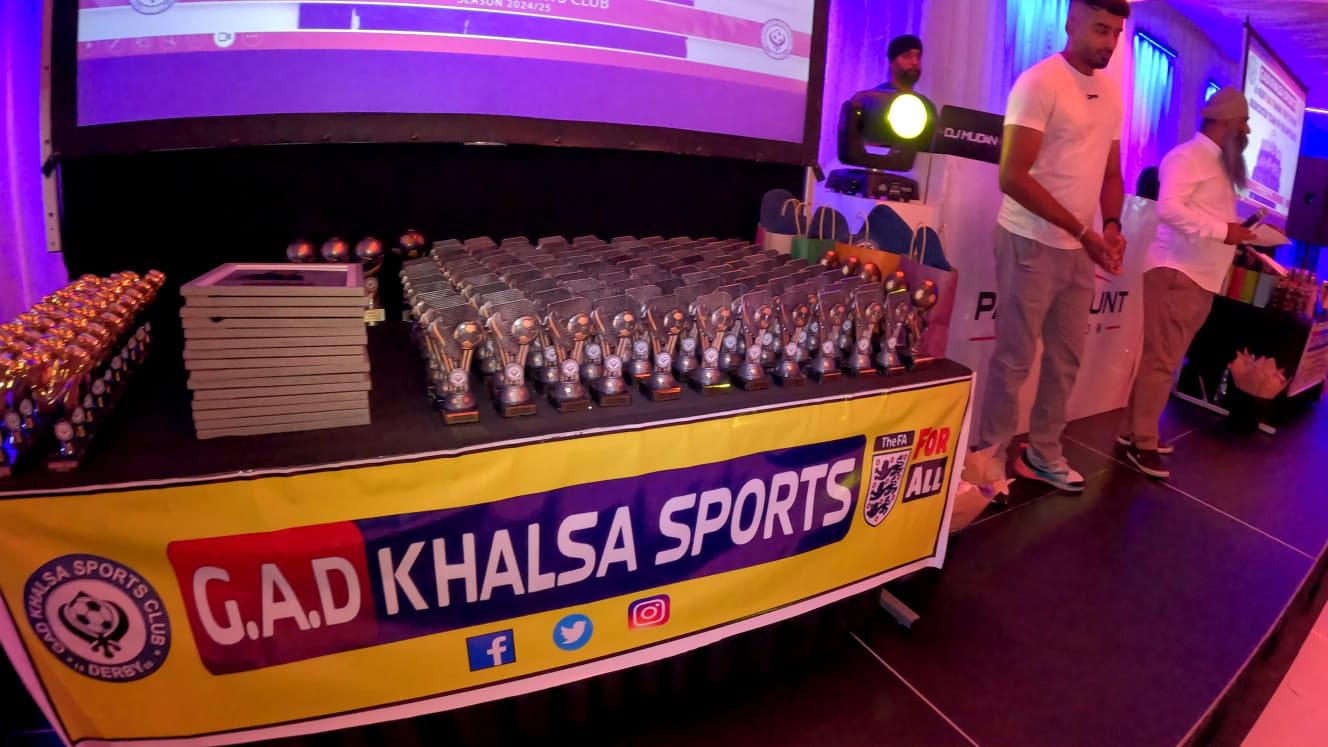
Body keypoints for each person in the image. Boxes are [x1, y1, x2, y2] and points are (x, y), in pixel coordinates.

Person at [971, 0, 1129, 493]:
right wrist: (1083, 232)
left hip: (1078, 249)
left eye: (1116, 34)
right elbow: (1012, 176)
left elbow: (1111, 173)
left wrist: (1111, 224)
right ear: (1071, 21)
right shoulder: (1040, 82)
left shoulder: (1111, 93)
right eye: (1101, 29)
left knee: (1065, 359)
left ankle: (1043, 453)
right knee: (1014, 359)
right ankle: (989, 461)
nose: (1109, 42)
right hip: (1029, 240)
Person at [1119, 88, 1257, 478]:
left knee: (1162, 359)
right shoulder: (1188, 156)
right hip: (1178, 272)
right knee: (1162, 361)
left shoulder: (1214, 163)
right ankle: (1143, 442)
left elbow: (1204, 219)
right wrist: (1223, 231)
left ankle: (1134, 431)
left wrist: (1237, 236)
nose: (1246, 132)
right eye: (1243, 123)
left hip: (1195, 276)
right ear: (1225, 123)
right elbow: (1168, 210)